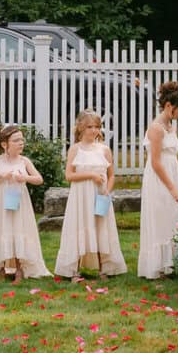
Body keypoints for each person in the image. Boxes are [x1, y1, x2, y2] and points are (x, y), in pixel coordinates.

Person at [55, 111, 124, 279]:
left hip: (99, 194)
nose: (94, 130)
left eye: (97, 127)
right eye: (89, 127)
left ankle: (103, 268)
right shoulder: (75, 149)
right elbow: (69, 175)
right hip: (81, 196)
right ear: (81, 128)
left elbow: (112, 174)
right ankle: (74, 269)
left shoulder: (104, 150)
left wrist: (108, 189)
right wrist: (90, 176)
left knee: (100, 227)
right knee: (80, 226)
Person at [0, 127, 49, 280]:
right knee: (3, 230)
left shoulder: (24, 161)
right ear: (5, 144)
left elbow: (39, 179)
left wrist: (26, 178)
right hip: (2, 202)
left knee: (18, 229)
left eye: (22, 140)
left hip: (19, 202)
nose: (21, 143)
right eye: (16, 140)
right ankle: (2, 267)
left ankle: (18, 268)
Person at [136, 82, 178, 279]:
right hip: (159, 178)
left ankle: (170, 263)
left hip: (171, 173)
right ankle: (156, 266)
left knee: (173, 216)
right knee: (160, 217)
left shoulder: (171, 126)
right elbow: (156, 162)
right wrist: (173, 188)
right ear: (169, 105)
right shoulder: (156, 129)